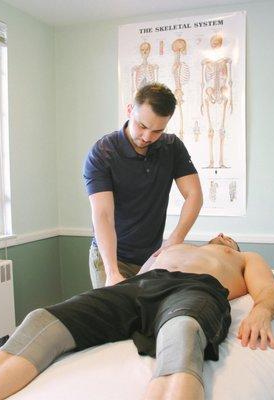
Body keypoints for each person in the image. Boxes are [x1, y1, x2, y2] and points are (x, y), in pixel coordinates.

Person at [0, 233, 274, 400]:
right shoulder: (176, 246)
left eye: (229, 238)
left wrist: (262, 311)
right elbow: (140, 274)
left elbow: (267, 290)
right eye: (219, 234)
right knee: (41, 320)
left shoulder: (242, 257)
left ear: (231, 246)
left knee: (182, 334)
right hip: (141, 285)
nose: (222, 235)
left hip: (196, 290)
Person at [84, 83, 203, 288]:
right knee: (115, 318)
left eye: (157, 130)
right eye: (142, 126)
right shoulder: (102, 153)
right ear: (130, 110)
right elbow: (103, 215)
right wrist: (112, 272)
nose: (147, 137)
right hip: (111, 257)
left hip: (152, 258)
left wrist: (176, 239)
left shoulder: (171, 147)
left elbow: (194, 195)